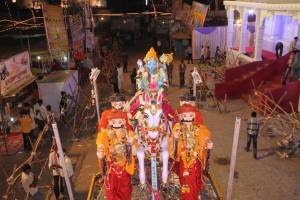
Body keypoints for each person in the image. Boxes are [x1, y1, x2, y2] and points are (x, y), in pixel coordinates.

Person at [169, 104, 213, 200]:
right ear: (180, 117)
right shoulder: (177, 128)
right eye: (184, 116)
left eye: (190, 115)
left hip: (195, 163)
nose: (188, 118)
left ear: (194, 115)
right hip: (183, 164)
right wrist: (176, 139)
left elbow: (206, 136)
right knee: (186, 186)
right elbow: (173, 152)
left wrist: (207, 143)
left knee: (195, 185)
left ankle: (195, 196)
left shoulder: (200, 128)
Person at [96, 110, 136, 200]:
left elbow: (135, 152)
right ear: (109, 122)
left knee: (125, 191)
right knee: (111, 193)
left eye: (119, 121)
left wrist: (131, 144)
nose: (117, 124)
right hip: (110, 170)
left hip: (124, 169)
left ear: (124, 121)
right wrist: (100, 152)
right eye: (113, 122)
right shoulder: (103, 135)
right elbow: (100, 147)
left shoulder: (129, 134)